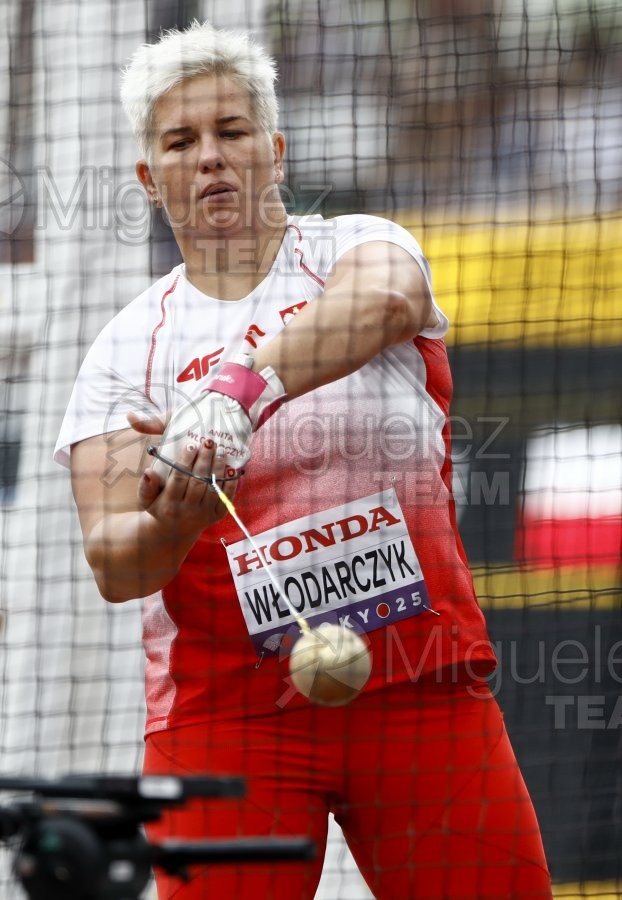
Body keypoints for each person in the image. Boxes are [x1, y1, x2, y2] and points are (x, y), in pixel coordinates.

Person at [54, 20, 552, 900]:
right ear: (149, 177)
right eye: (182, 141)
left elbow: (384, 303)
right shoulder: (125, 351)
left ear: (275, 150)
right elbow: (112, 559)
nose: (210, 157)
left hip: (418, 685)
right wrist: (178, 518)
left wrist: (236, 396)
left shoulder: (362, 247)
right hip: (228, 715)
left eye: (232, 132)